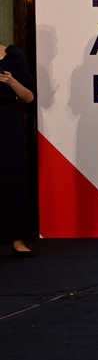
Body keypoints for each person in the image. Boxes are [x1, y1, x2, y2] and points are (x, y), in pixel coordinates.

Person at [0, 44, 36, 256]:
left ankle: (17, 238)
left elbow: (29, 97)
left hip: (7, 119)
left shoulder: (13, 55)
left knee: (12, 177)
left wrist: (11, 81)